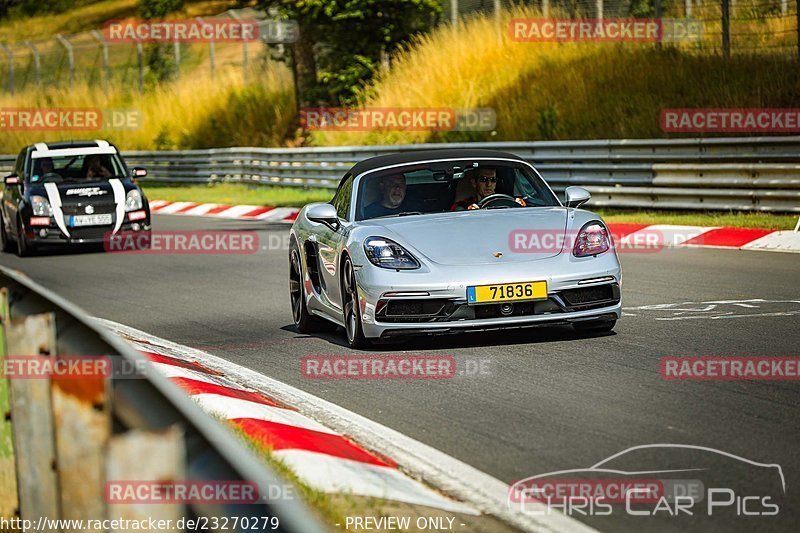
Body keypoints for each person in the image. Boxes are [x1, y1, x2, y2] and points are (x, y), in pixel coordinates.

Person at [450, 167, 526, 210]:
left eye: (493, 180)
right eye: (483, 179)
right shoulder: (463, 205)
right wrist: (467, 213)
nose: (489, 184)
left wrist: (521, 207)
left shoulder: (508, 202)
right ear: (474, 183)